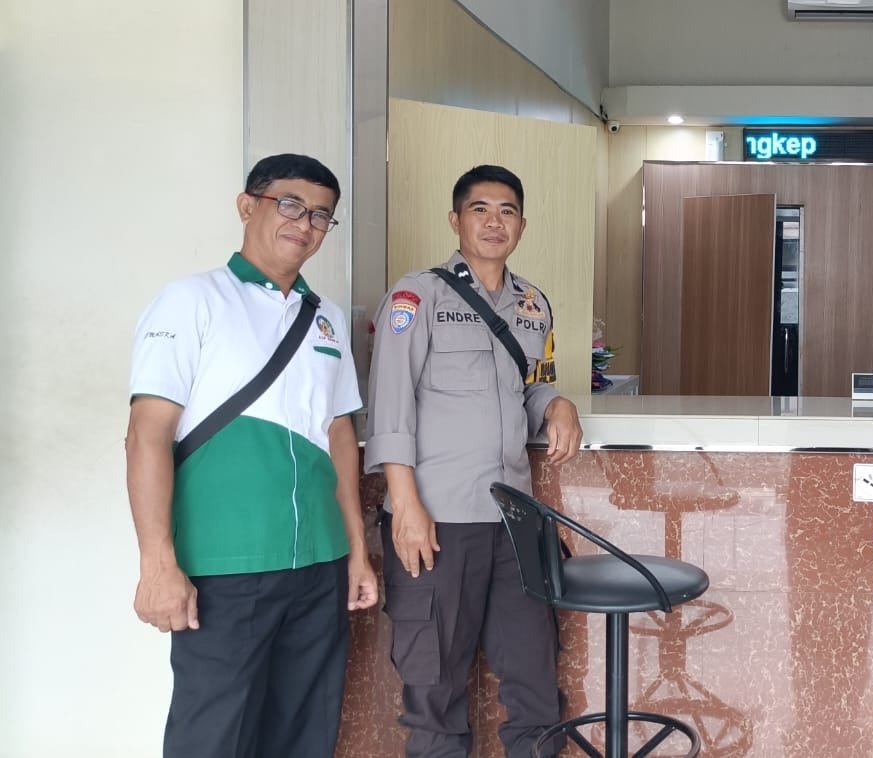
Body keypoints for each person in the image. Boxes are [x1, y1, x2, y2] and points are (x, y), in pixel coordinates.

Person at [126, 153, 378, 758]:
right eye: (289, 204)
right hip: (224, 566)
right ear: (247, 206)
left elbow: (339, 435)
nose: (305, 223)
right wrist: (157, 564)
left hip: (318, 564)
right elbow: (146, 436)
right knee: (214, 736)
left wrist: (356, 552)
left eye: (321, 215)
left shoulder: (326, 319)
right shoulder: (192, 300)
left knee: (305, 735)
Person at [366, 164, 584, 758]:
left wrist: (557, 403)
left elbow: (529, 386)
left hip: (513, 522)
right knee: (434, 691)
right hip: (438, 519)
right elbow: (390, 407)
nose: (494, 222)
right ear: (455, 220)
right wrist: (406, 507)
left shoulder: (533, 304)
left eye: (507, 211)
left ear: (522, 225)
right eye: (480, 209)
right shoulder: (417, 297)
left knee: (536, 683)